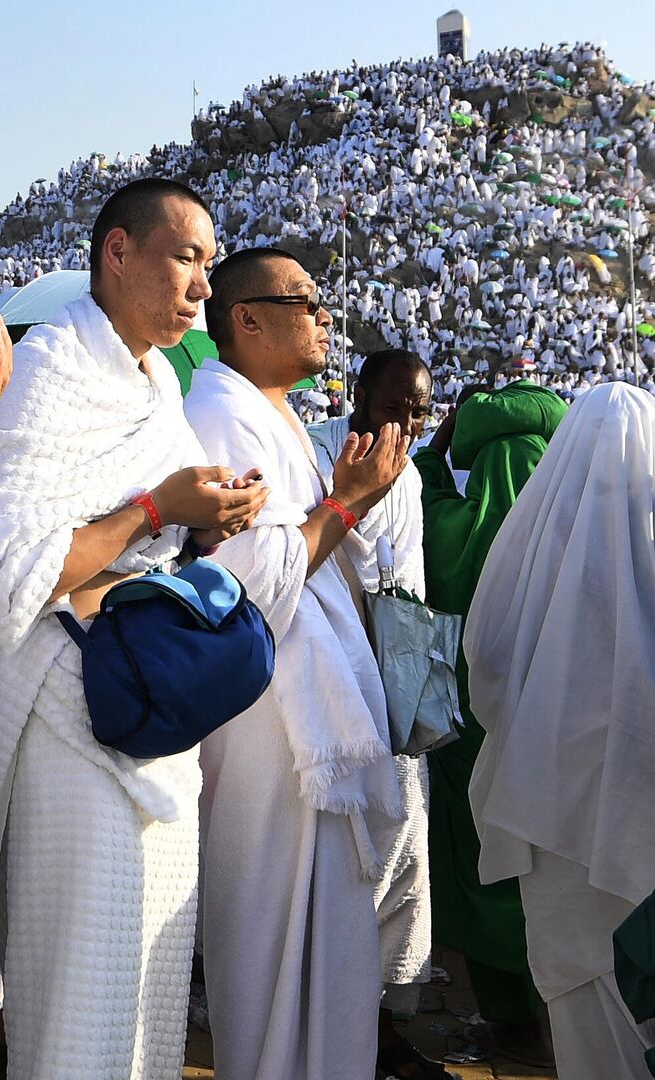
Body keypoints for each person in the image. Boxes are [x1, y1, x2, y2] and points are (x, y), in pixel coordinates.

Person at [0, 178, 265, 1079]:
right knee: (77, 985)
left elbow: (154, 529)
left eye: (208, 264)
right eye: (185, 259)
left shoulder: (160, 379)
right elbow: (8, 568)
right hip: (66, 707)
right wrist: (153, 507)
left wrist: (204, 520)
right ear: (118, 252)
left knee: (150, 979)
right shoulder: (50, 367)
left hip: (152, 710)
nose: (203, 287)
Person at [185, 247, 408, 1080]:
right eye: (305, 301)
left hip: (308, 720)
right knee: (271, 940)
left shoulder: (267, 413)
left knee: (327, 944)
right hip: (267, 723)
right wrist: (348, 504)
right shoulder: (220, 412)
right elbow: (252, 577)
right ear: (246, 318)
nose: (323, 315)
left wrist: (345, 501)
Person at [464, 382, 655, 1077]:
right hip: (644, 808)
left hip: (547, 808)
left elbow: (484, 665)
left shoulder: (529, 547)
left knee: (581, 999)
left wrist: (535, 722)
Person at [418, 377, 567, 1064]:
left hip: (474, 731)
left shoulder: (455, 526)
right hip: (560, 735)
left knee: (488, 861)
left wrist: (440, 444)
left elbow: (421, 493)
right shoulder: (586, 526)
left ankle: (507, 1019)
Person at [308, 349, 447, 1079]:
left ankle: (387, 1020)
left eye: (419, 411)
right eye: (394, 407)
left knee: (405, 851)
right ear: (358, 396)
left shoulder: (415, 476)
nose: (406, 423)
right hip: (327, 681)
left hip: (392, 685)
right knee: (335, 853)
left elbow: (408, 579)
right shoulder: (318, 453)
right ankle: (330, 1012)